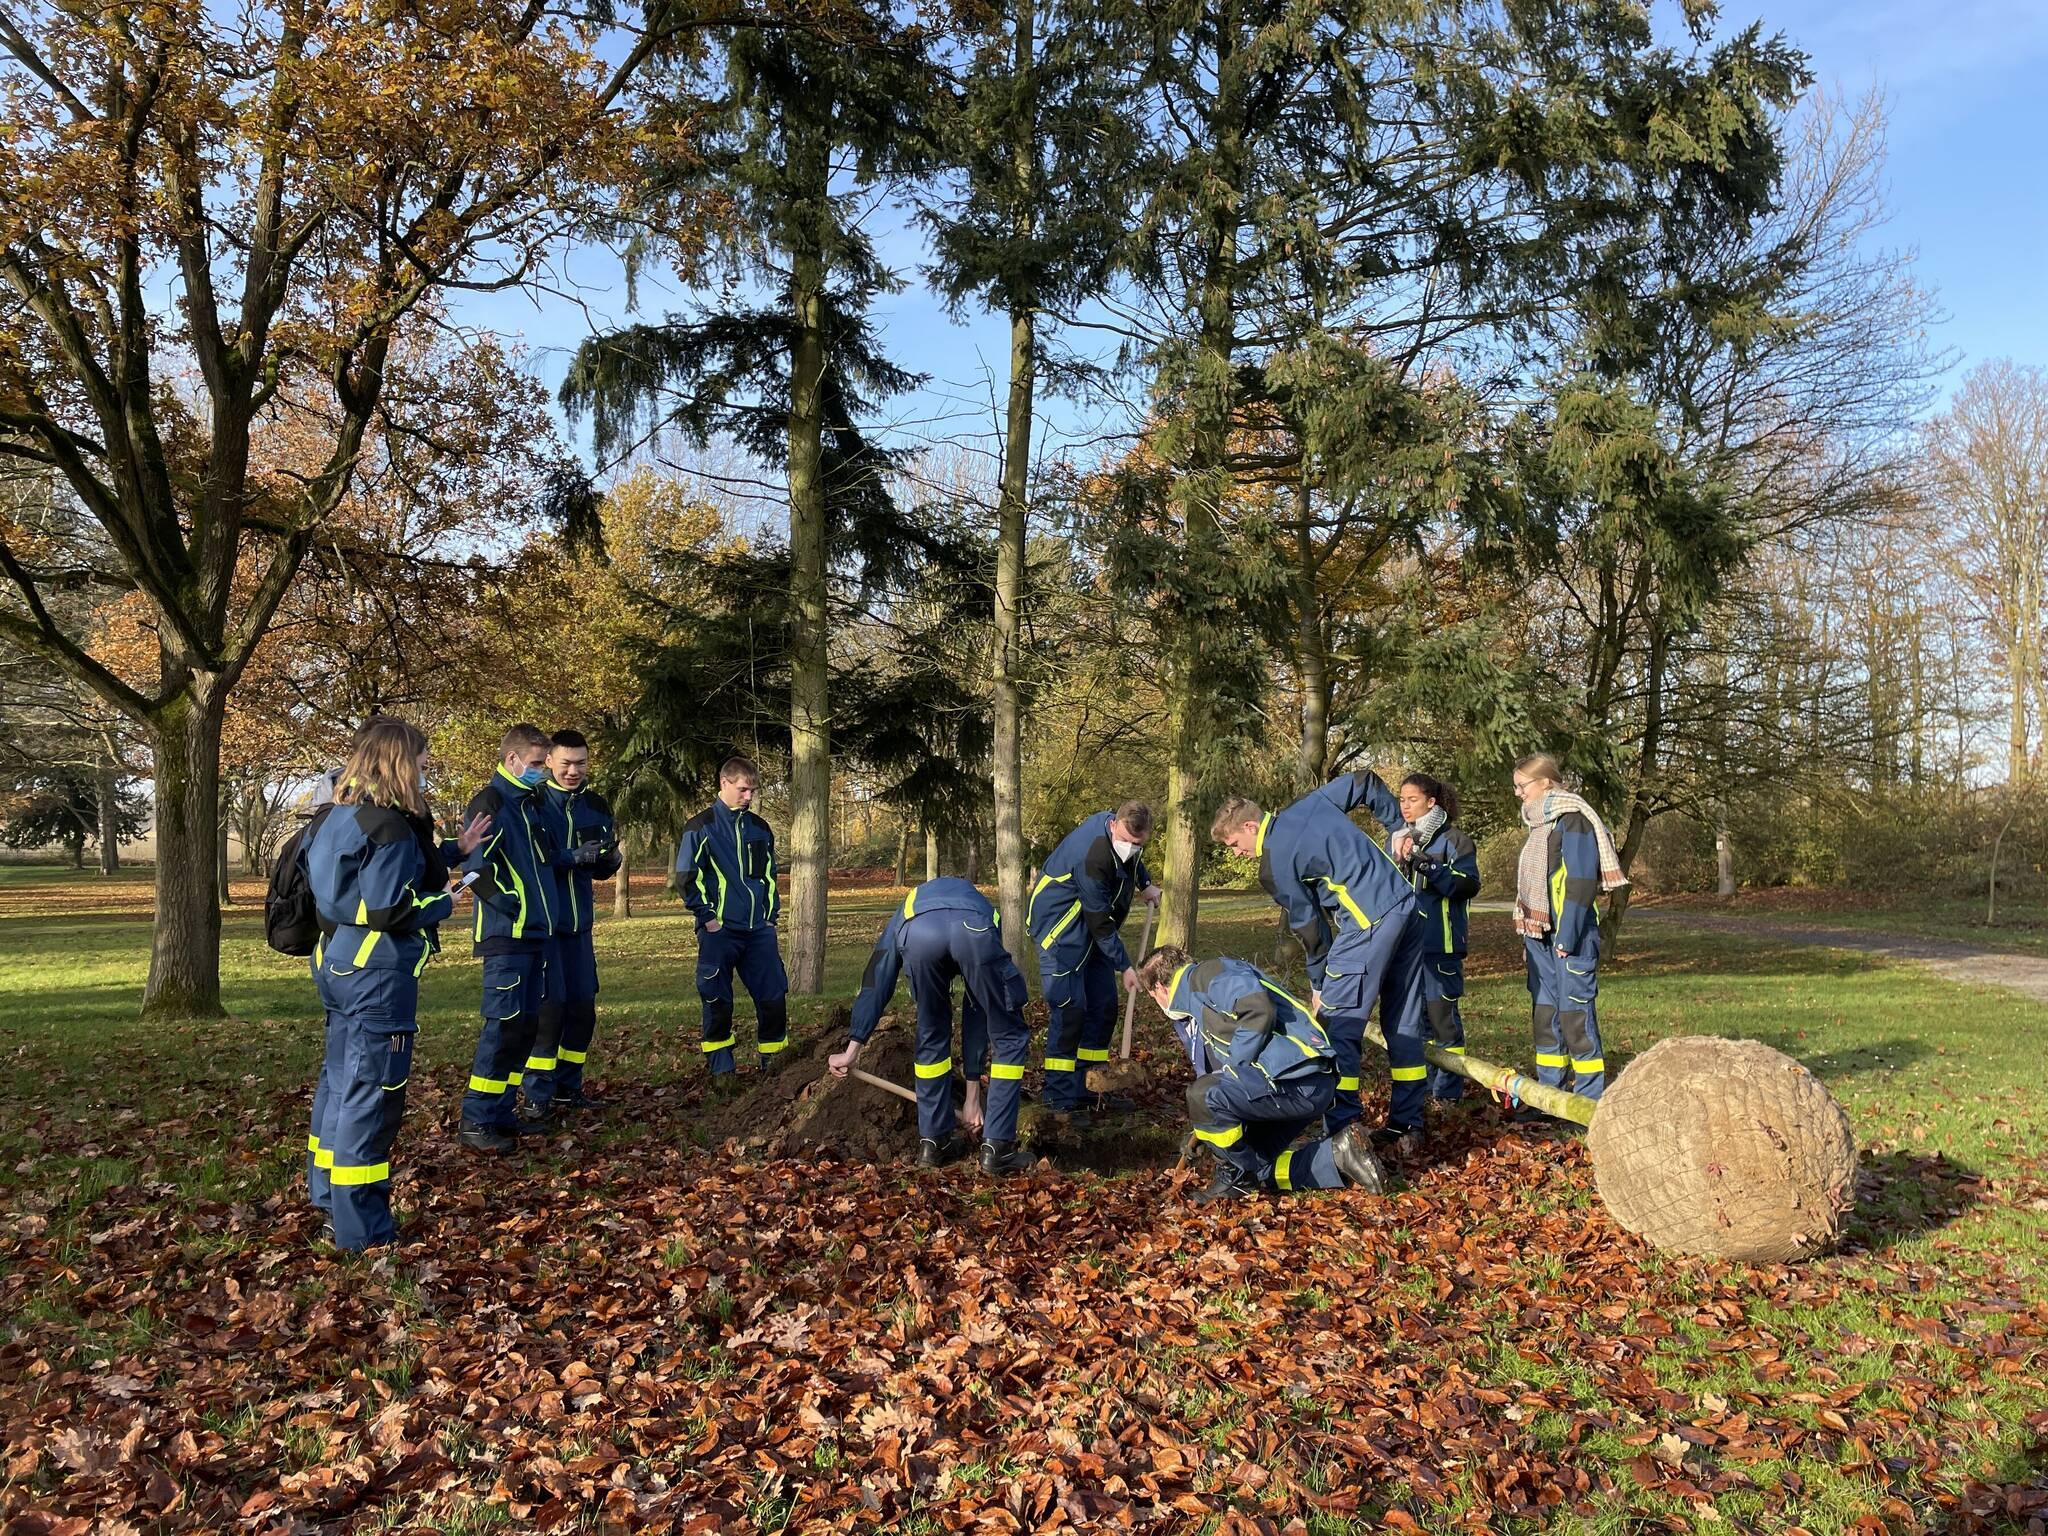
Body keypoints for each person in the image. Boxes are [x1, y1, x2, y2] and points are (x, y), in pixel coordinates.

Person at [304, 719, 489, 1248]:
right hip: (378, 975)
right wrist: (444, 903)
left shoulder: (336, 816)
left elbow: (360, 883)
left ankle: (327, 1200)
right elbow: (389, 906)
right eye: (424, 762)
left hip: (338, 963)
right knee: (373, 1094)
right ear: (401, 762)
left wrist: (453, 849)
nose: (428, 771)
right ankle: (363, 1229)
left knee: (338, 1085)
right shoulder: (390, 826)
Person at [1211, 770, 1427, 1156]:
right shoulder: (1313, 803)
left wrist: (1319, 984)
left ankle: (1344, 1134)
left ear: (1249, 825)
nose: (1237, 852)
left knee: (1336, 1028)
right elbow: (1363, 781)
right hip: (1406, 904)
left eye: (1234, 844)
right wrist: (1398, 826)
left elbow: (1310, 929)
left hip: (1367, 922)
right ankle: (1407, 1124)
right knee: (1404, 1021)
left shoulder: (1274, 864)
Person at [1139, 946, 1388, 1202]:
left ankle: (1232, 1182)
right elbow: (1225, 1089)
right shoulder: (1198, 1002)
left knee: (1202, 1095)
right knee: (1254, 1164)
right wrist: (1205, 1131)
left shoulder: (1206, 975)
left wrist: (1232, 1073)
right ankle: (1338, 1155)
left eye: (1151, 997)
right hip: (1297, 1082)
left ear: (1159, 988)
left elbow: (1259, 1010)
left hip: (1298, 1078)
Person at [826, 877, 1036, 1176]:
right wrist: (973, 1098)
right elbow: (978, 1012)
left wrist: (852, 1049)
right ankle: (997, 1149)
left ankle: (934, 1142)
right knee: (1008, 1034)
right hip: (973, 933)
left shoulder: (906, 909)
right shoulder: (984, 909)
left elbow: (877, 977)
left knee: (931, 1029)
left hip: (918, 935)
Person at [457, 723, 565, 1152]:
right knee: (501, 1029)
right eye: (537, 764)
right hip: (506, 937)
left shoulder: (529, 804)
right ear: (513, 761)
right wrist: (512, 904)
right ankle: (476, 1118)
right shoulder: (492, 802)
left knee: (523, 1029)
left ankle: (501, 1113)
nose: (543, 771)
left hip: (535, 935)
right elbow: (475, 870)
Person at [1025, 801, 1161, 1126]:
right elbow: (1100, 922)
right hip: (1061, 931)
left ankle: (1091, 1085)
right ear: (1114, 825)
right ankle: (1060, 1096)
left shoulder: (1124, 835)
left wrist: (1145, 883)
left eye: (1138, 845)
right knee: (1071, 1009)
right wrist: (1126, 966)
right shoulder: (1094, 856)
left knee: (1103, 1006)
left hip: (1092, 929)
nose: (1131, 849)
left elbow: (1132, 863)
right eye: (1127, 841)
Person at [1511, 753, 1627, 1102]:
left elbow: (1579, 882)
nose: (1518, 793)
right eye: (1515, 787)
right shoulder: (1538, 825)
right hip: (1539, 936)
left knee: (1575, 1016)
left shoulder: (1574, 820)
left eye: (1522, 785)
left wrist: (1568, 935)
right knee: (1546, 1016)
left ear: (1546, 782)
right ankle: (1550, 1097)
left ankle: (1588, 1103)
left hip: (1569, 937)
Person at [522, 729, 621, 1118]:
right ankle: (537, 1096)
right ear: (549, 761)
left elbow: (599, 869)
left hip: (580, 926)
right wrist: (569, 856)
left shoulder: (596, 805)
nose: (573, 770)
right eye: (566, 763)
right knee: (550, 1012)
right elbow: (532, 859)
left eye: (580, 763)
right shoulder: (532, 803)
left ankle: (569, 1088)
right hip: (545, 925)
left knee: (582, 1009)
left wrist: (608, 862)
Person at [674, 756, 788, 1076]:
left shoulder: (760, 828)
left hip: (758, 932)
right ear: (724, 783)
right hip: (719, 932)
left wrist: (769, 917)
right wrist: (708, 917)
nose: (749, 797)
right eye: (742, 790)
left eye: (753, 790)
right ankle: (722, 1071)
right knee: (717, 1001)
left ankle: (775, 1066)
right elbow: (685, 877)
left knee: (773, 997)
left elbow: (768, 876)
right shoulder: (700, 827)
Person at [1395, 773, 1481, 1107]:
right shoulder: (1403, 840)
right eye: (1401, 800)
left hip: (1441, 947)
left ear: (1431, 802)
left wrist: (1432, 869)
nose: (1405, 806)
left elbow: (1468, 884)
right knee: (1417, 1024)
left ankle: (1447, 1094)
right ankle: (1426, 1089)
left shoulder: (1454, 840)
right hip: (1409, 948)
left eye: (1412, 800)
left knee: (1443, 1022)